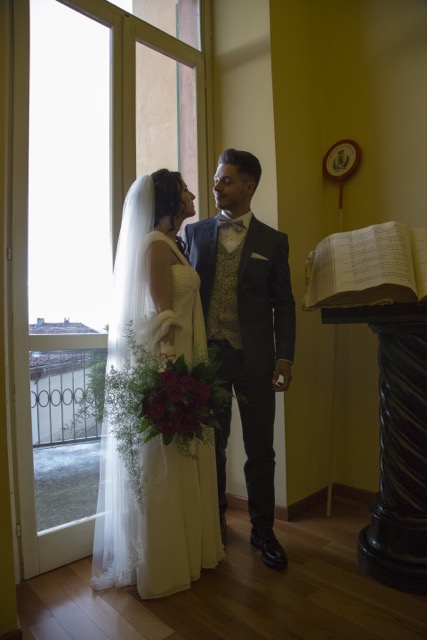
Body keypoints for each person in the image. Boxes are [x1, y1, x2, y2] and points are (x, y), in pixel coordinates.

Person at [92, 170, 224, 599]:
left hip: (188, 360)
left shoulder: (173, 244)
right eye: (185, 189)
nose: (192, 194)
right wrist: (172, 378)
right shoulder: (154, 245)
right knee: (167, 462)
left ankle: (190, 550)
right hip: (173, 364)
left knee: (185, 460)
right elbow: (162, 316)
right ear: (170, 199)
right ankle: (164, 562)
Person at [184, 149, 296, 570]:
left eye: (226, 180)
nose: (216, 186)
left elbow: (283, 304)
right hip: (208, 358)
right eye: (217, 179)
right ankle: (213, 525)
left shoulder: (273, 241)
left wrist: (285, 357)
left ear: (249, 186)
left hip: (256, 360)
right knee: (211, 446)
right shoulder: (194, 234)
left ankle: (263, 530)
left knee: (260, 449)